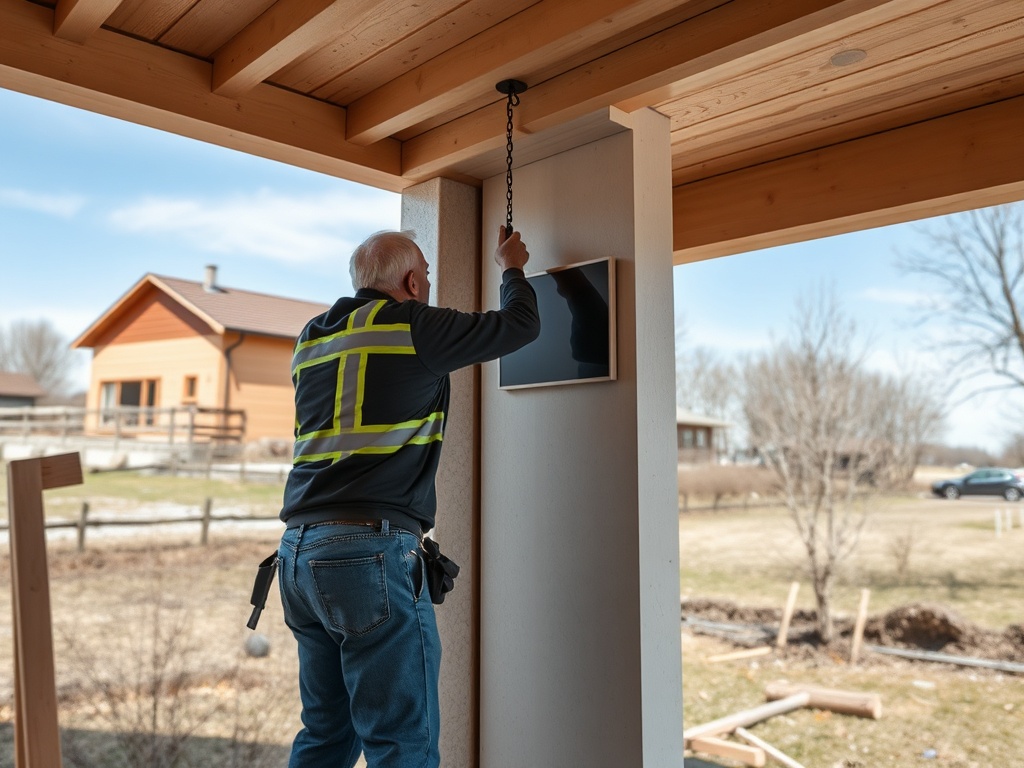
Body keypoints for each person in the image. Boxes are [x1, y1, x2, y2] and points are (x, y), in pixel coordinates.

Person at [276, 227, 539, 768]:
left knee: (326, 735)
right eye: (427, 276)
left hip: (298, 555)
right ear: (413, 281)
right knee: (403, 744)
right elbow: (520, 326)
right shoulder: (412, 324)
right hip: (369, 555)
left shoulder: (312, 336)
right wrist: (511, 267)